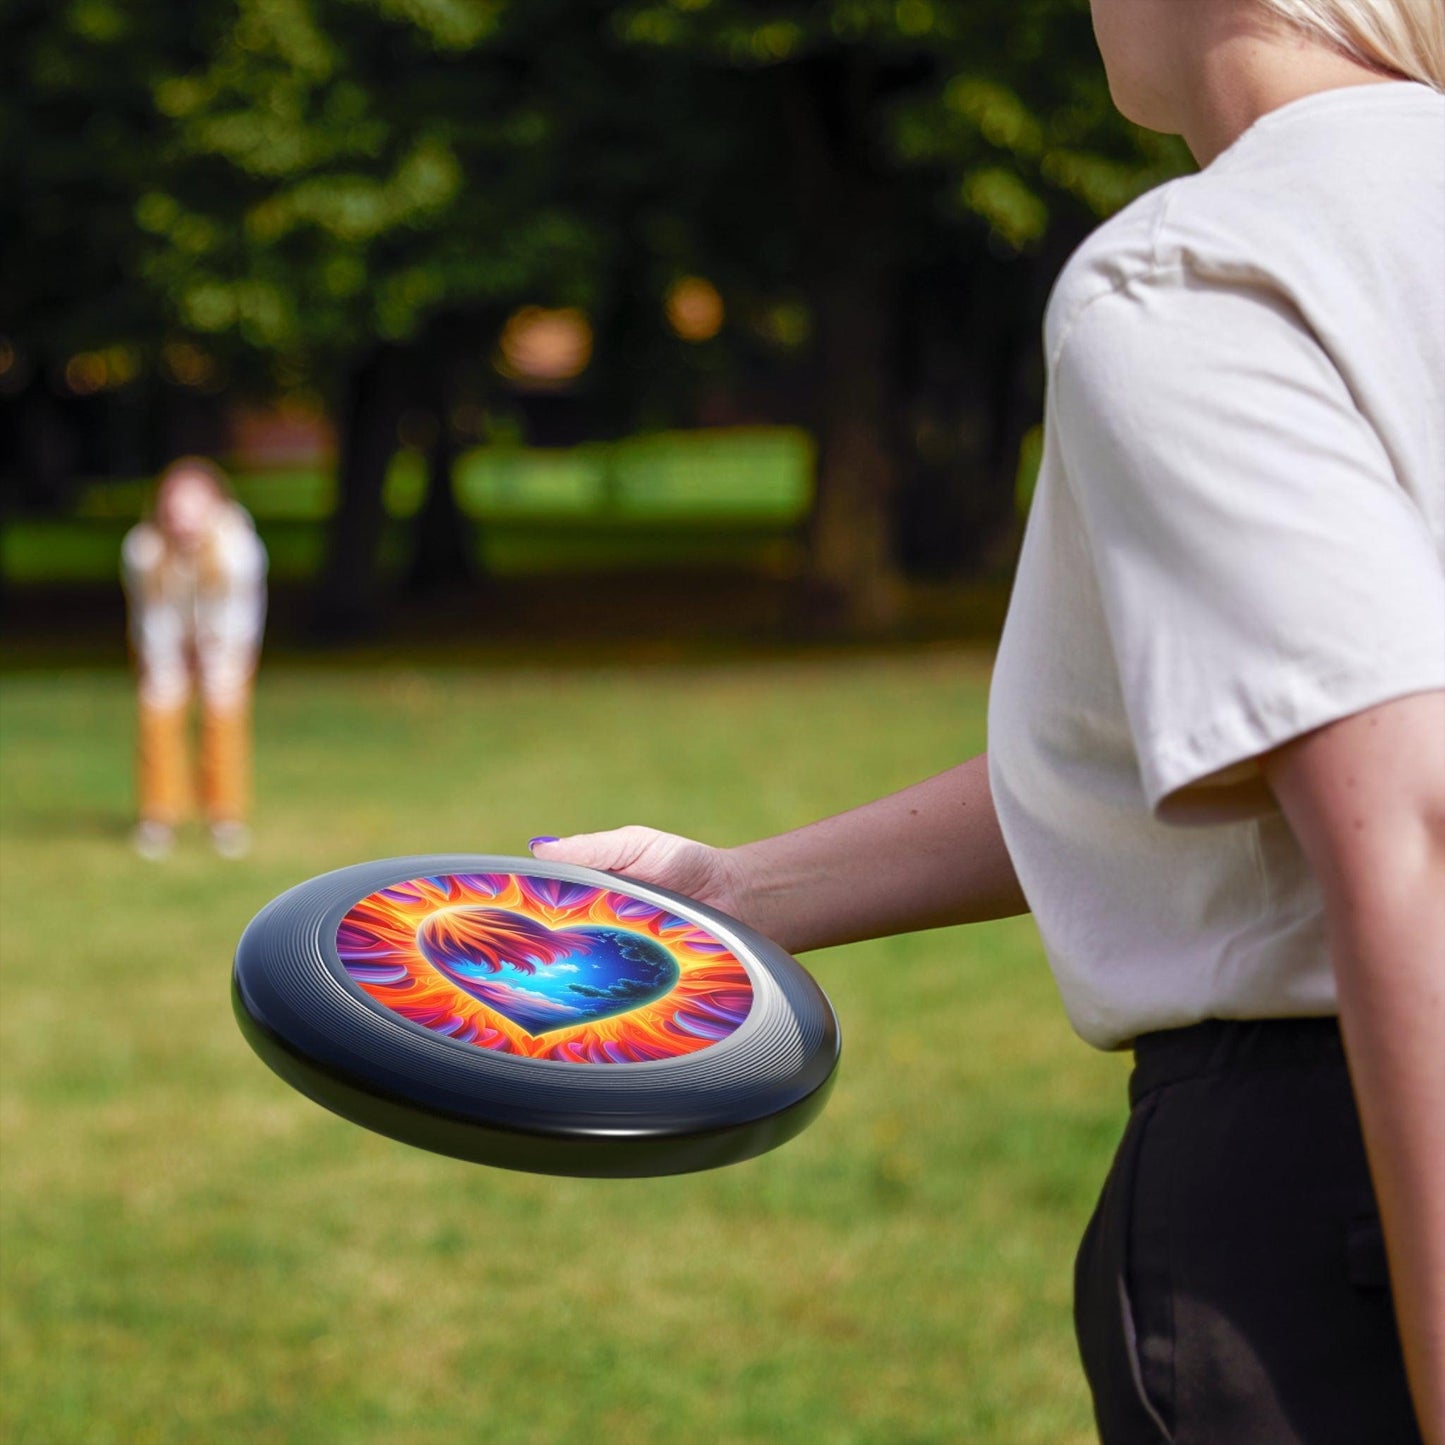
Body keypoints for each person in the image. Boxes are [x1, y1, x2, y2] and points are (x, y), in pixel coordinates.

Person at [528, 1, 1445, 1440]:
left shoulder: (1204, 269)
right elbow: (1211, 740)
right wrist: (735, 892)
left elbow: (1409, 821)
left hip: (1342, 1186)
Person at [122, 456, 268, 860]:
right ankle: (158, 816)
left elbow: (239, 615)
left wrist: (214, 656)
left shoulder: (238, 548)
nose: (183, 517)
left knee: (223, 717)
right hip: (164, 642)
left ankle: (225, 817)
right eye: (175, 505)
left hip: (226, 643)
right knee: (158, 713)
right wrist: (168, 661)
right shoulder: (143, 549)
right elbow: (152, 614)